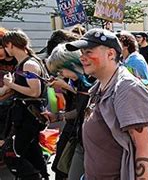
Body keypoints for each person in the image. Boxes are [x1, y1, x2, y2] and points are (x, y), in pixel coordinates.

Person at [65, 28, 148, 179]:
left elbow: (144, 146)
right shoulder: (100, 86)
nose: (82, 58)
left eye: (88, 52)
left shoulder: (126, 89)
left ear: (110, 54)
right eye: (82, 53)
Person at [2, 30, 49, 179]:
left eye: (5, 46)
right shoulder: (25, 63)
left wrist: (11, 85)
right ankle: (42, 175)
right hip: (25, 115)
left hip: (29, 116)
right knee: (31, 151)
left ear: (10, 45)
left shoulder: (29, 64)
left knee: (12, 153)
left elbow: (35, 92)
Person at [45, 44, 92, 179]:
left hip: (86, 141)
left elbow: (81, 108)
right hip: (79, 137)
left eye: (61, 71)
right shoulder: (80, 80)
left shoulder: (90, 80)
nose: (61, 75)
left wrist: (65, 87)